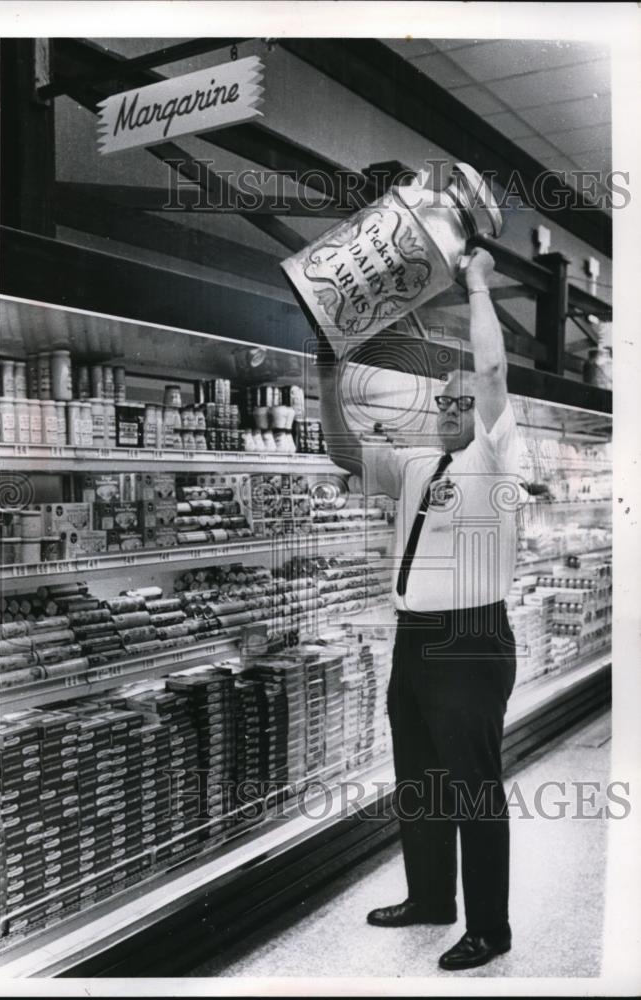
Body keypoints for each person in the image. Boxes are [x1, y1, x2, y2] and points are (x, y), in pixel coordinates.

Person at [315, 247, 523, 972]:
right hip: (416, 638)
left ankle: (489, 928)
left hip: (470, 639)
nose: (451, 411)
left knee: (472, 789)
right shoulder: (414, 463)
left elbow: (492, 371)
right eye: (445, 401)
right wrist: (326, 372)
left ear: (485, 411)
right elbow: (340, 450)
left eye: (464, 402)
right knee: (421, 780)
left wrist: (475, 283)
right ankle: (431, 899)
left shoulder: (491, 458)